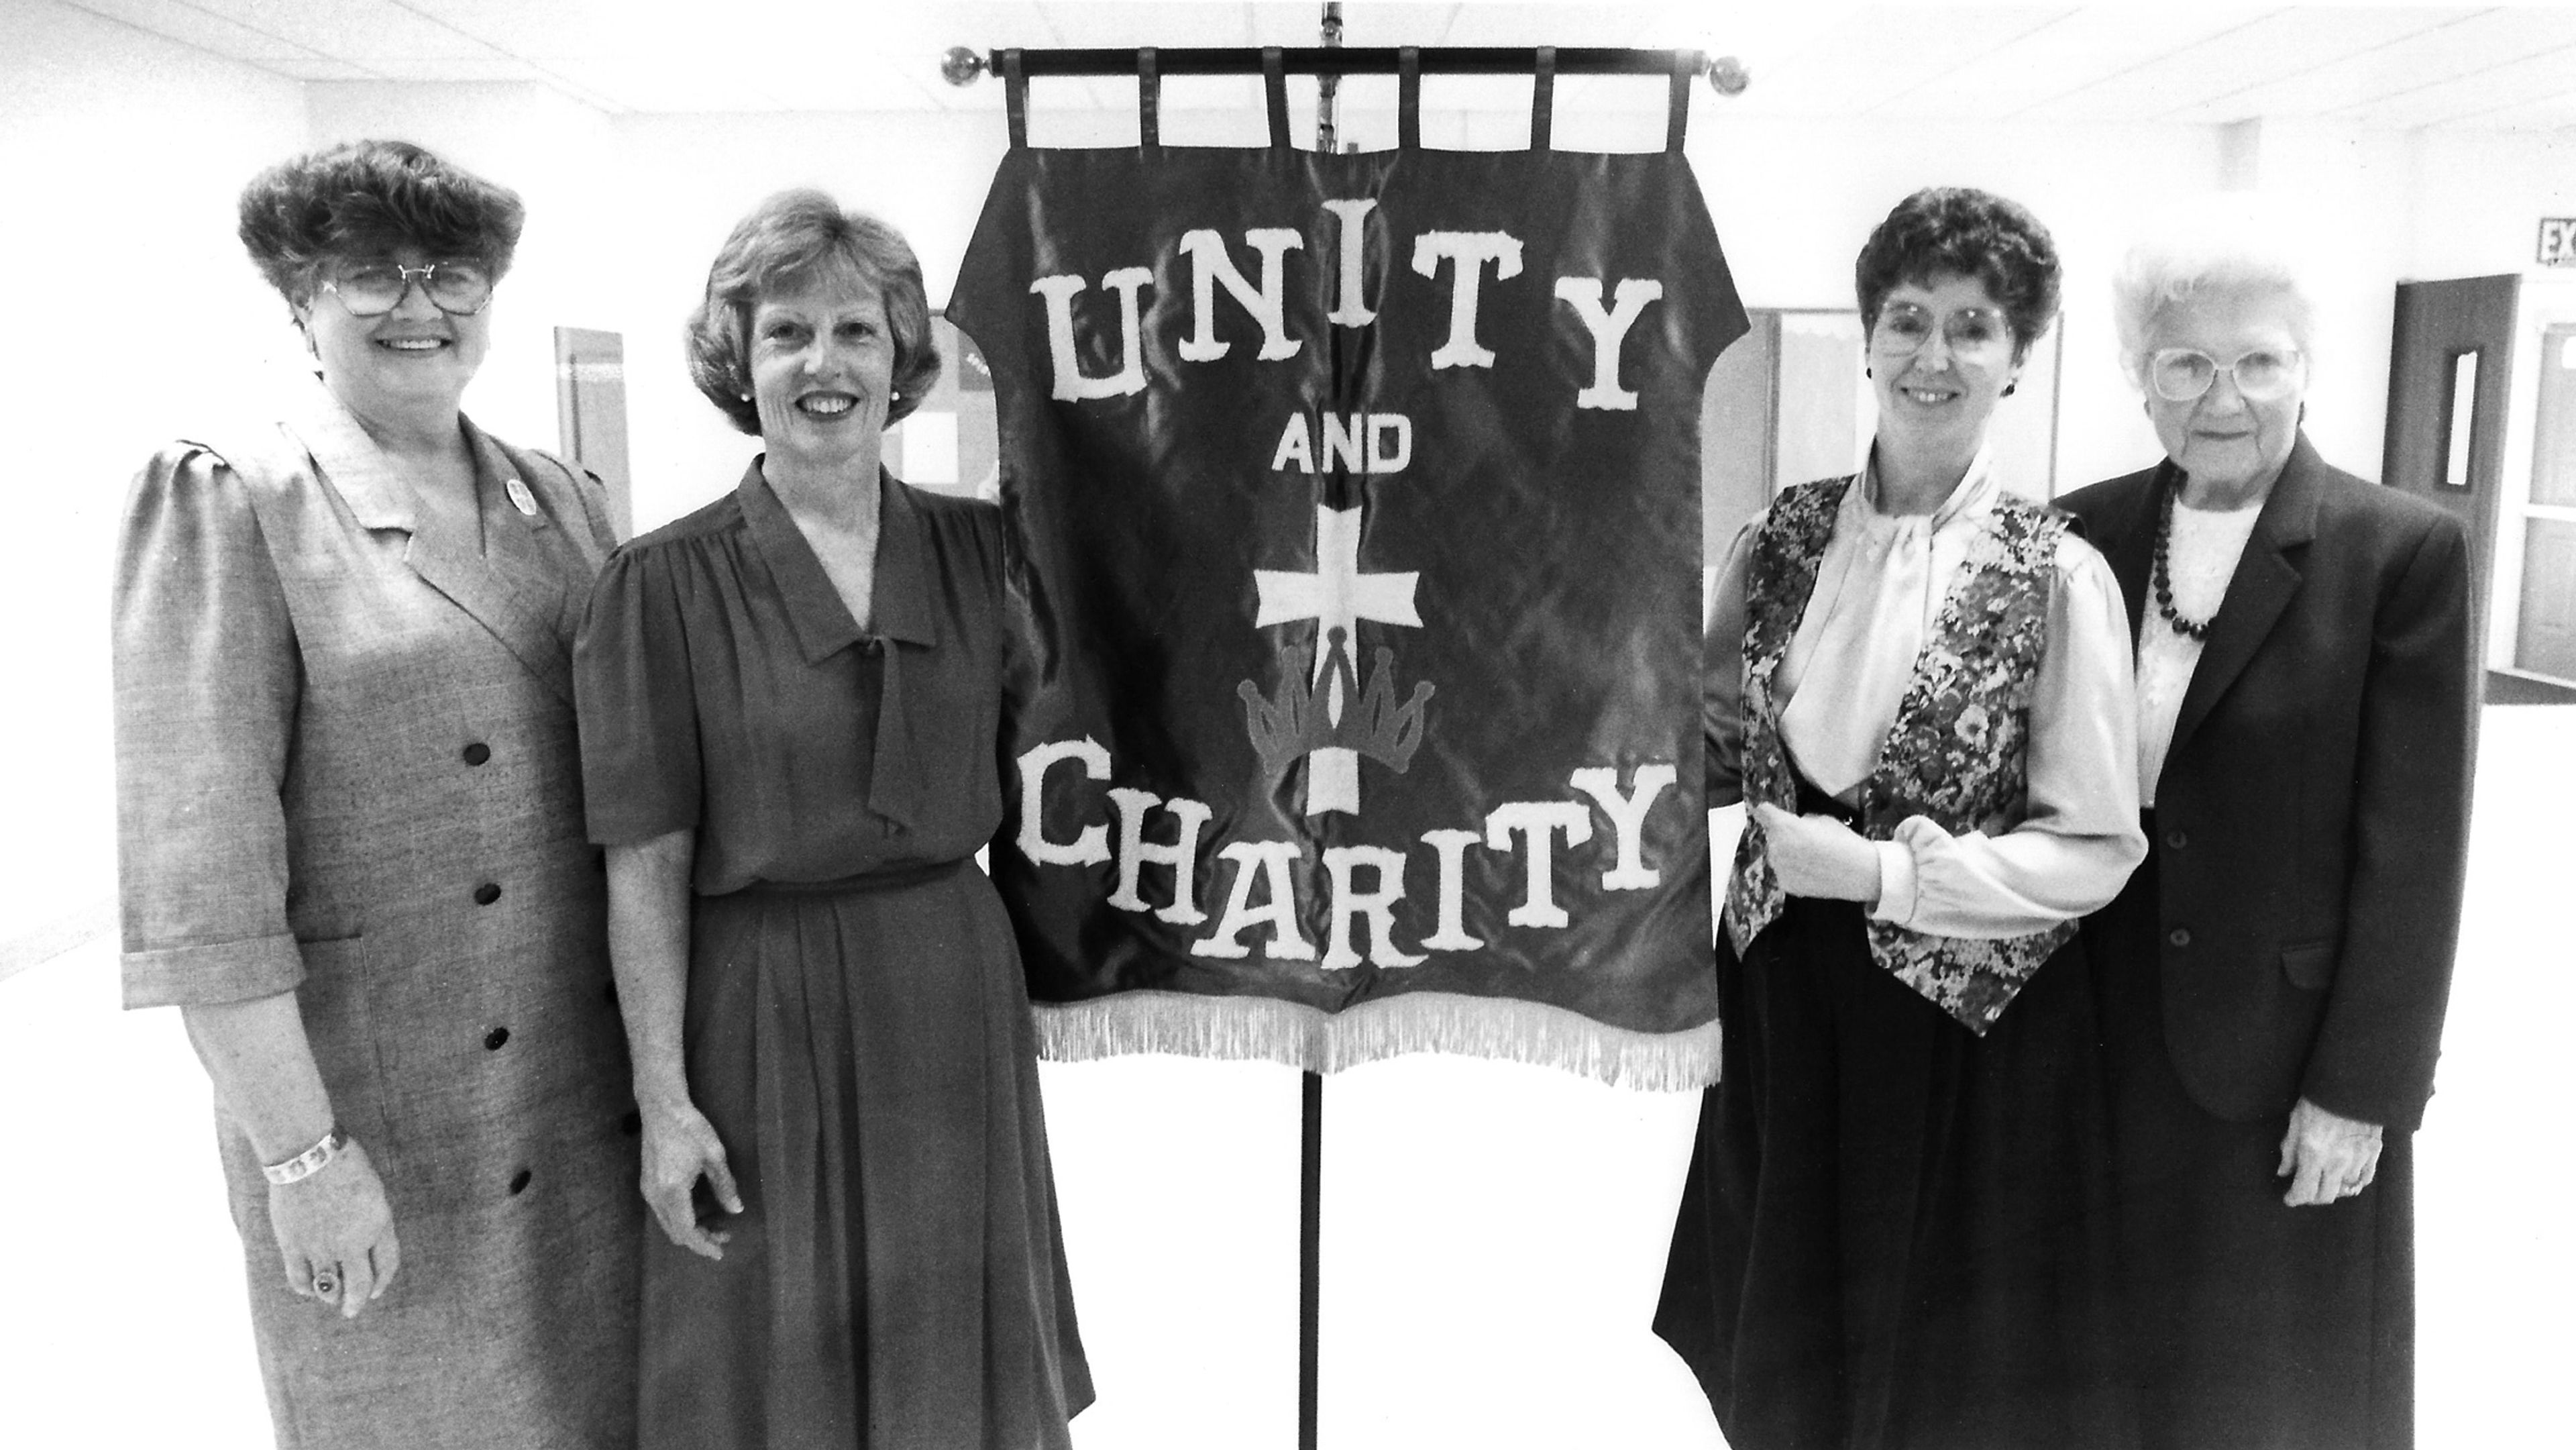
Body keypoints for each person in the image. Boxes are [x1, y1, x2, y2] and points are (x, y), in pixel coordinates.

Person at [112, 140, 639, 1449]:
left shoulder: (560, 497)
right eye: (371, 272)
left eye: (452, 269)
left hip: (581, 1098)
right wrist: (303, 1158)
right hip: (387, 1120)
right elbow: (204, 896)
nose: (421, 302)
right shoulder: (233, 499)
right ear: (301, 300)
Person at [574, 189, 1093, 1448]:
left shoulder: (985, 554)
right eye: (787, 333)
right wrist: (665, 1101)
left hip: (946, 986)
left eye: (858, 332)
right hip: (761, 1002)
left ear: (901, 365)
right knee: (775, 1335)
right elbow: (645, 863)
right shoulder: (661, 584)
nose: (825, 363)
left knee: (950, 1319)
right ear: (739, 367)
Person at [1653, 187, 2149, 1450]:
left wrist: (1884, 877)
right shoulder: (1777, 538)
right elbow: (1710, 738)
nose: (1935, 354)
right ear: (1868, 339)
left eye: (1973, 328)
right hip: (1779, 995)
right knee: (1785, 1346)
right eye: (1909, 320)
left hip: (1954, 1029)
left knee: (1923, 1375)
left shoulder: (2059, 572)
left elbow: (2094, 846)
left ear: (2017, 363)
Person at [2057, 215, 2475, 1450]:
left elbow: (2417, 855)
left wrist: (2362, 1091)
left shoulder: (2398, 552)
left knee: (2267, 1394)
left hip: (2281, 1063)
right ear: (2142, 381)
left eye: (2259, 363)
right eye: (2185, 365)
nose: (2222, 396)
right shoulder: (2082, 531)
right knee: (2102, 1370)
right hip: (2089, 1030)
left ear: (2307, 370)